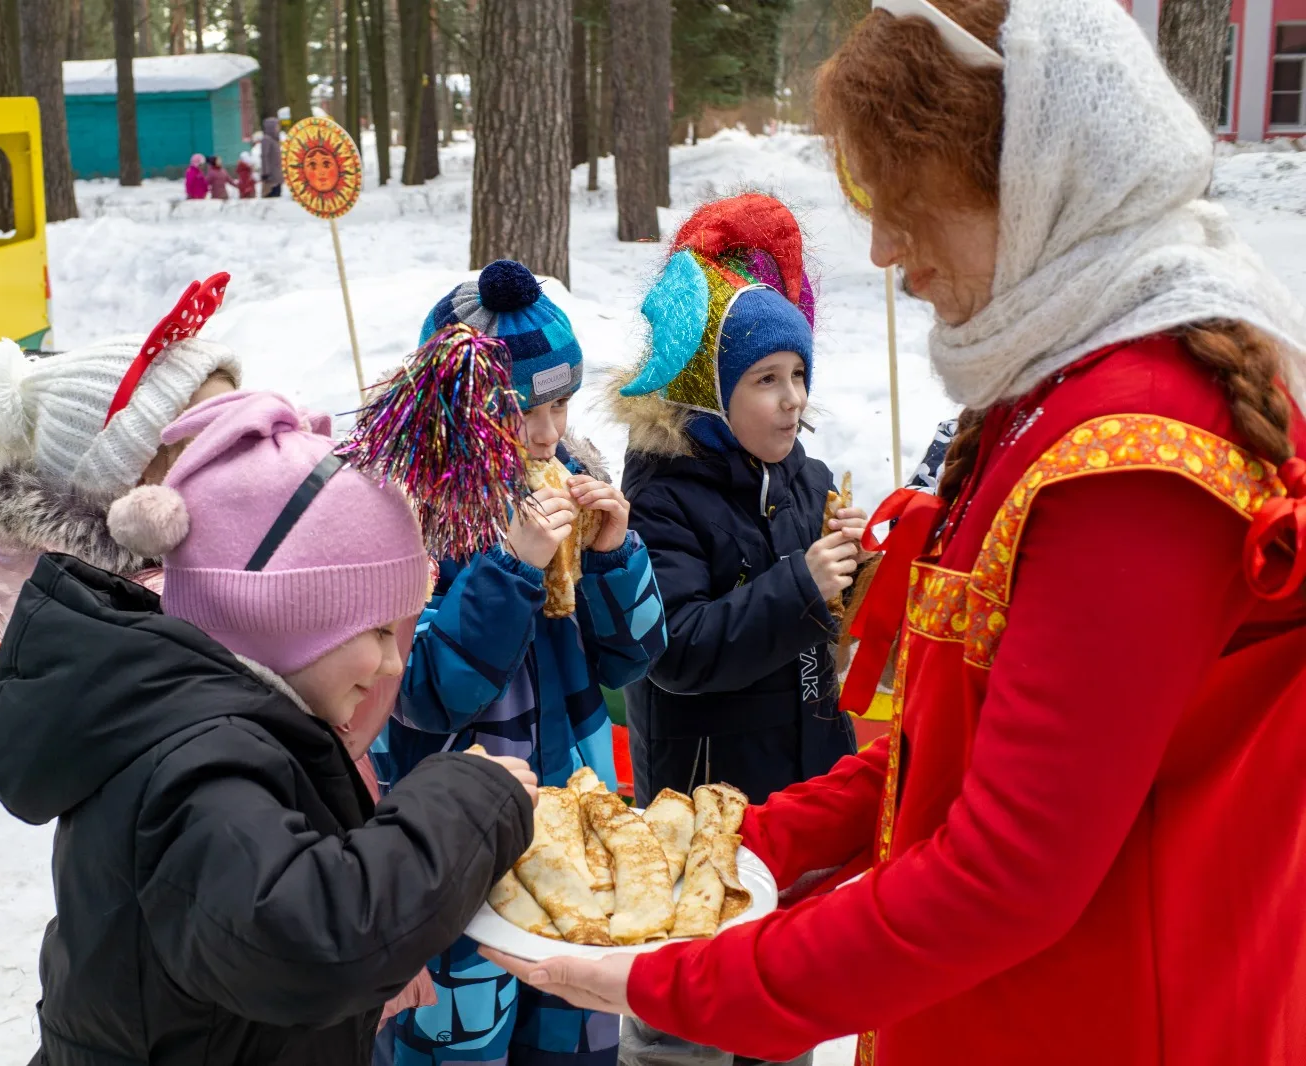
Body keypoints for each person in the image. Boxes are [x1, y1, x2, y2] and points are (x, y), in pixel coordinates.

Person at [482, 2, 1306, 1064]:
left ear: (1036, 178)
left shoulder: (1132, 455)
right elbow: (957, 751)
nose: (881, 248)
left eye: (906, 201)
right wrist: (735, 842)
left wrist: (692, 978)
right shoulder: (1053, 394)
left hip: (1092, 1018)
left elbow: (1007, 872)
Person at [0, 388, 539, 1065]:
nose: (393, 661)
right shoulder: (197, 762)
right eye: (379, 632)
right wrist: (468, 798)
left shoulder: (216, 723)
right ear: (285, 615)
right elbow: (312, 940)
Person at [375, 261, 669, 1066]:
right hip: (458, 848)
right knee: (463, 1036)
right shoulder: (413, 516)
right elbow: (424, 691)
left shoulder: (571, 478)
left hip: (568, 824)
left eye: (561, 404)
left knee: (571, 1025)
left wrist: (613, 556)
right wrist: (511, 569)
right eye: (521, 413)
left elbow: (631, 657)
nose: (547, 433)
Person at [606, 192, 864, 1066]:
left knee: (774, 1001)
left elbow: (819, 642)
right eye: (765, 380)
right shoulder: (662, 496)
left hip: (793, 786)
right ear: (712, 394)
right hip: (704, 800)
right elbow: (672, 650)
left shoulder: (804, 475)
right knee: (691, 1004)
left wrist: (855, 579)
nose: (792, 401)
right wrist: (801, 584)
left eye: (799, 375)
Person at [0, 277, 242, 640]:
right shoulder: (96, 595)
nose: (238, 450)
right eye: (201, 440)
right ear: (129, 481)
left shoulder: (175, 525)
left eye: (236, 418)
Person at [260, 117, 283, 198]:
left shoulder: (275, 140)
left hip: (277, 176)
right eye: (276, 126)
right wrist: (265, 173)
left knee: (278, 198)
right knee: (271, 199)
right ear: (271, 127)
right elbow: (264, 157)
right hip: (270, 177)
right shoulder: (266, 139)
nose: (278, 128)